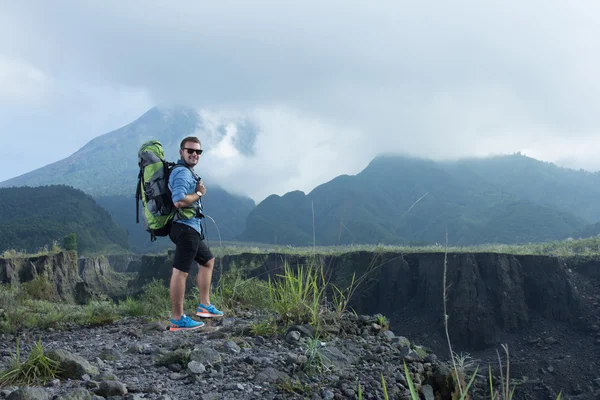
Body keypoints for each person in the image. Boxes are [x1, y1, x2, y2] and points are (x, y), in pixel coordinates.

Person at [167, 136, 223, 331]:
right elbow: (179, 200)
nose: (194, 154)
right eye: (190, 150)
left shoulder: (188, 172)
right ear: (181, 152)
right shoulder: (182, 173)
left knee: (207, 260)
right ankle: (177, 319)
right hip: (185, 227)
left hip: (190, 228)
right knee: (181, 272)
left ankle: (204, 305)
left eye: (198, 151)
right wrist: (199, 194)